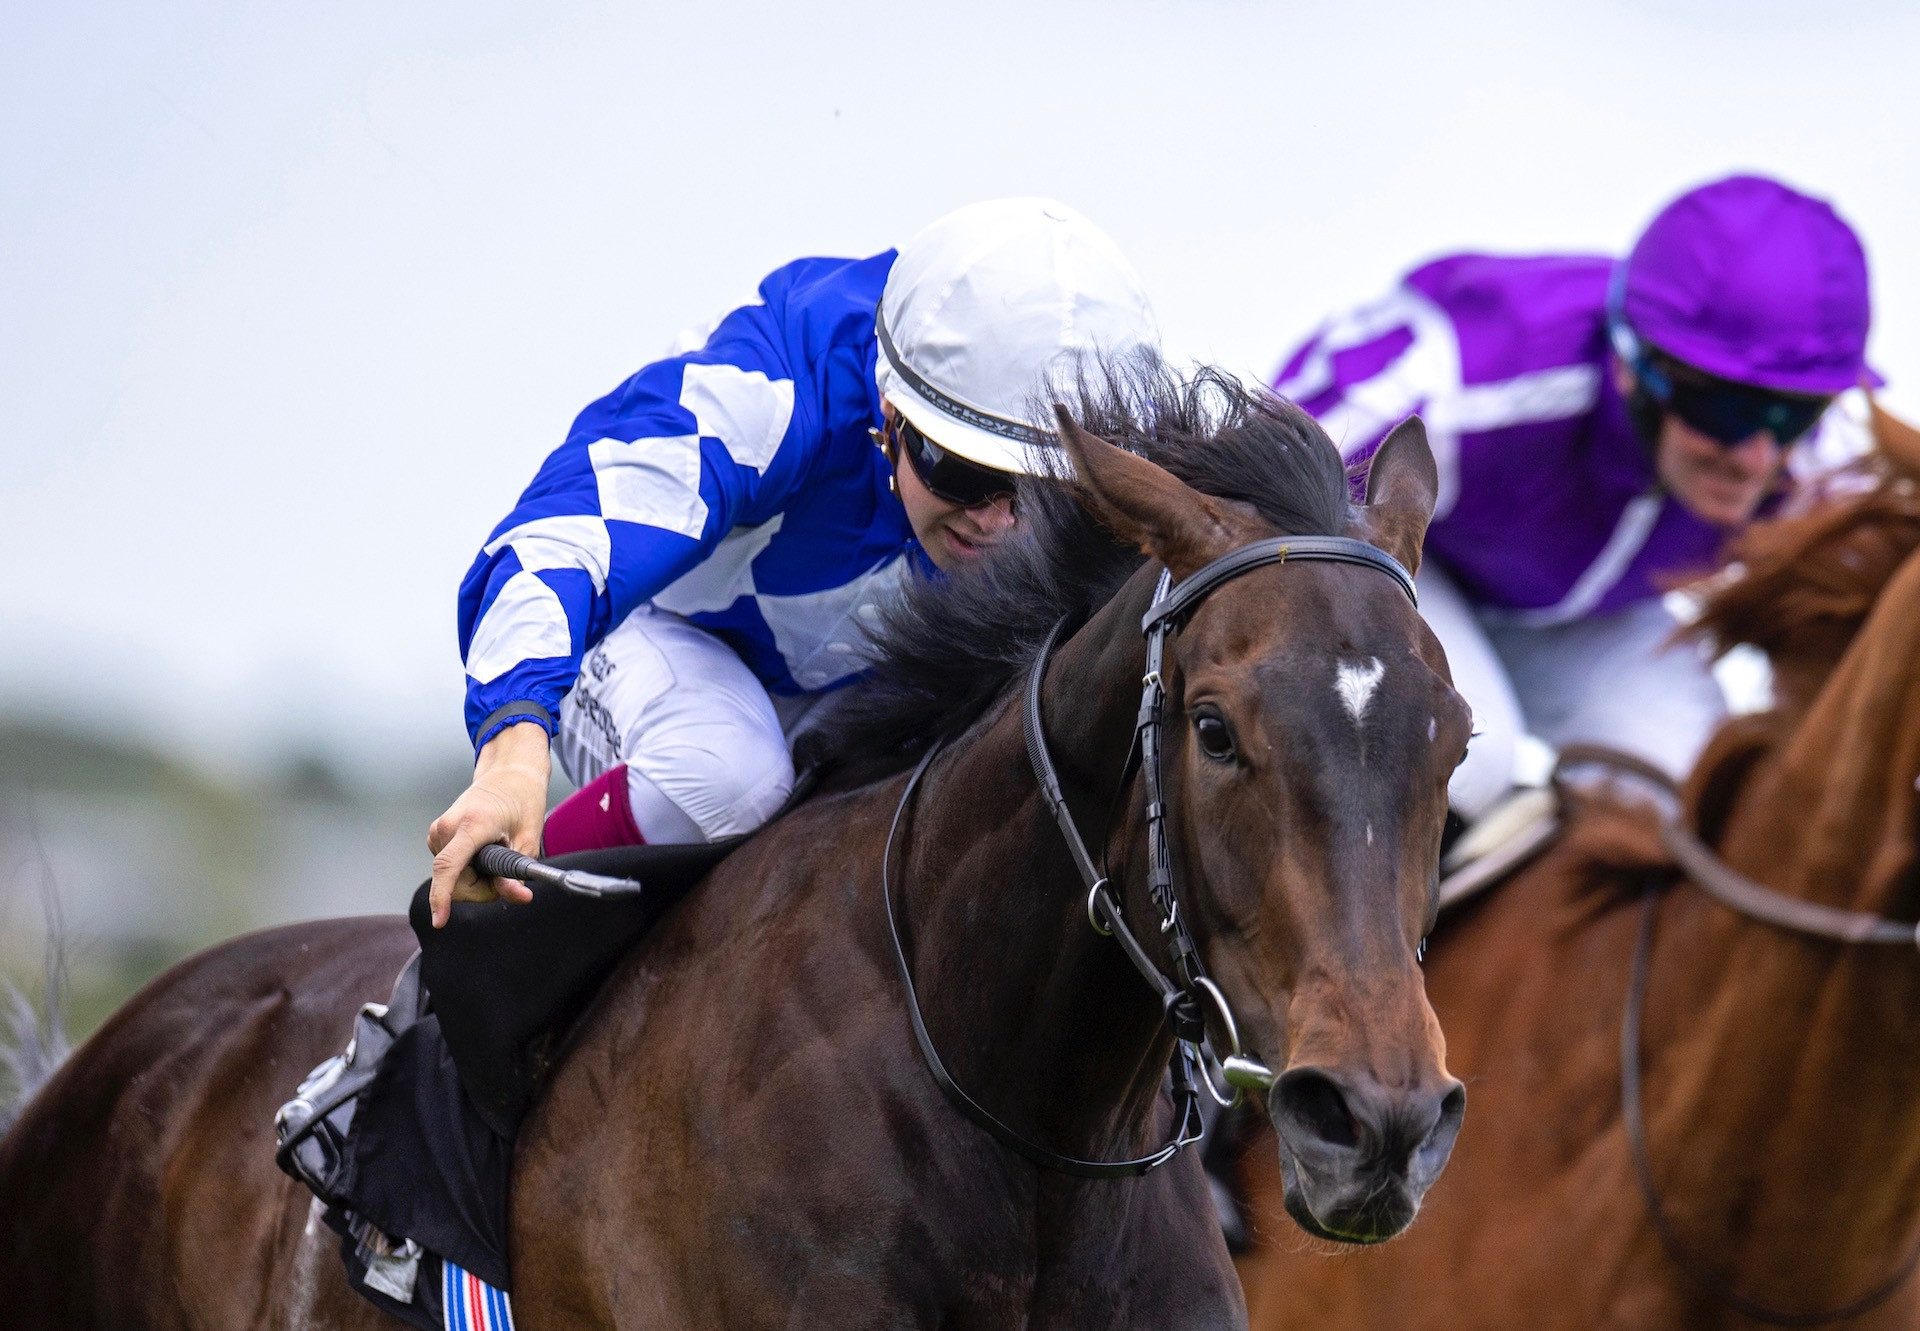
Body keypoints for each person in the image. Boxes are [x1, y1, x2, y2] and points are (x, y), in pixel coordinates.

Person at [426, 198, 1160, 926]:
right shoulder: (778, 389)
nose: (1000, 522)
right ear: (892, 416)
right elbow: (550, 542)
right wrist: (513, 758)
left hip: (853, 689)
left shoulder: (1105, 484)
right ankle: (464, 954)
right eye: (964, 474)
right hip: (648, 629)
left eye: (1045, 492)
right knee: (730, 774)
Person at [1272, 173, 1878, 841]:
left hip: (1589, 617)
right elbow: (1265, 486)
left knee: (1699, 799)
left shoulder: (1823, 464)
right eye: (1727, 409)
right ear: (1630, 366)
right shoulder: (1468, 377)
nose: (1758, 458)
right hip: (1401, 563)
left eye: (1793, 412)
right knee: (1467, 751)